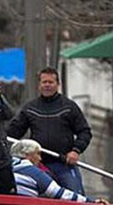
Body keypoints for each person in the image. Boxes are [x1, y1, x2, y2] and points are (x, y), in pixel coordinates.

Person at [7, 66, 92, 195]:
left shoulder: (69, 107)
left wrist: (76, 151)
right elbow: (12, 133)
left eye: (51, 82)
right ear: (39, 85)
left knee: (76, 197)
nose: (47, 85)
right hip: (38, 166)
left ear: (58, 84)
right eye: (44, 82)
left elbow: (85, 132)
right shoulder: (30, 108)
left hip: (64, 164)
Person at [11, 139, 104, 203]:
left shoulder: (4, 168)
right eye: (38, 154)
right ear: (27, 155)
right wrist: (90, 202)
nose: (40, 159)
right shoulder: (33, 172)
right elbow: (60, 193)